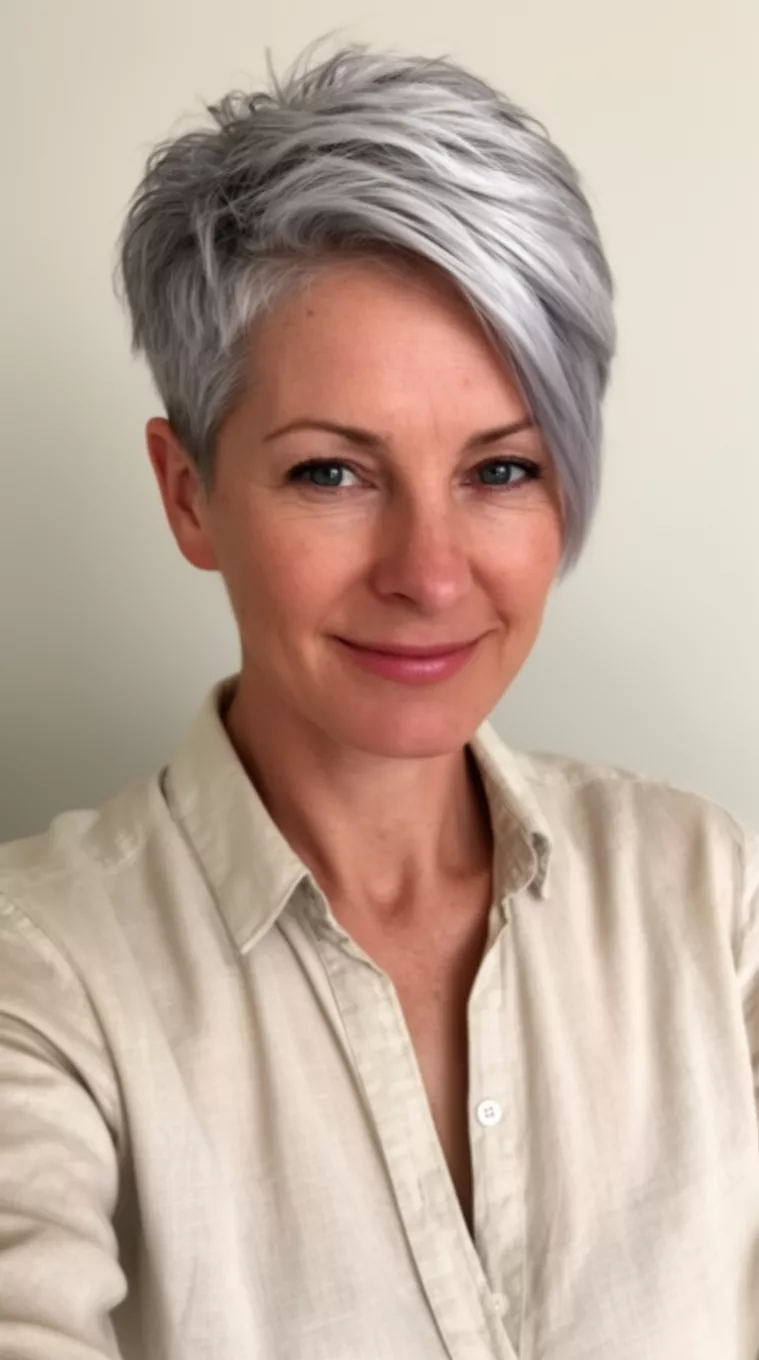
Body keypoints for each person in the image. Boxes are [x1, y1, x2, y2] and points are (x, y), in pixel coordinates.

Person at [0, 39, 757, 1360]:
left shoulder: (704, 895)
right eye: (331, 475)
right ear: (189, 495)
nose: (427, 573)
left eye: (501, 470)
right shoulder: (42, 982)